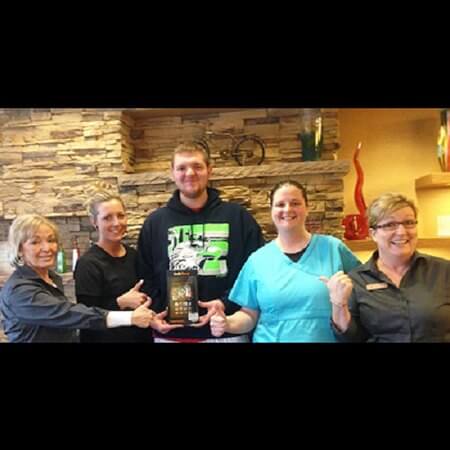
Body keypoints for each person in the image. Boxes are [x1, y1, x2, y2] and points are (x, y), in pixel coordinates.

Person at [136, 142, 265, 343]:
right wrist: (161, 311)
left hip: (227, 331)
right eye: (181, 168)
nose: (190, 173)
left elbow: (254, 273)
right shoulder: (155, 223)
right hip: (171, 335)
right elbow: (145, 276)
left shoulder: (238, 217)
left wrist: (224, 304)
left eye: (197, 166)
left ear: (209, 170)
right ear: (172, 173)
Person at [210, 180, 361, 343]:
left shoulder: (333, 248)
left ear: (307, 208)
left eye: (295, 203)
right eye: (280, 204)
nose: (287, 209)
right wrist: (227, 323)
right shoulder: (258, 260)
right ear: (272, 211)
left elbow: (363, 288)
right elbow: (249, 315)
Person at [0, 214, 155, 343]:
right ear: (20, 249)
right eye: (35, 242)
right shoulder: (19, 291)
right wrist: (129, 317)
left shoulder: (52, 279)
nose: (47, 248)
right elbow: (68, 314)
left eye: (51, 240)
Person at [323, 192, 450, 342]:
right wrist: (338, 303)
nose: (402, 232)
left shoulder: (444, 271)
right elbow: (350, 338)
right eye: (390, 225)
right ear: (373, 234)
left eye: (409, 223)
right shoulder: (357, 281)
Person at [74, 189, 154, 343]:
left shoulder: (135, 255)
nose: (116, 223)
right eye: (107, 218)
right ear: (94, 222)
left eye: (120, 216)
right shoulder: (88, 264)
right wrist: (120, 302)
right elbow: (85, 316)